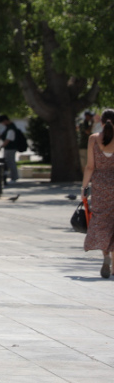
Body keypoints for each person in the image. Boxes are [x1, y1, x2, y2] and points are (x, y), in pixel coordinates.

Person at [82, 109, 114, 278]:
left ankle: (106, 256)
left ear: (101, 122)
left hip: (100, 186)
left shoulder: (93, 139)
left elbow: (90, 166)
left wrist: (84, 188)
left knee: (102, 221)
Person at [0, 115, 20, 183]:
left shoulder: (11, 128)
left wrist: (1, 146)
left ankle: (14, 177)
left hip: (10, 148)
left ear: (5, 121)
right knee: (10, 162)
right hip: (9, 148)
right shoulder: (10, 127)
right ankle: (13, 177)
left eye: (3, 122)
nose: (3, 124)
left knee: (11, 162)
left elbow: (8, 139)